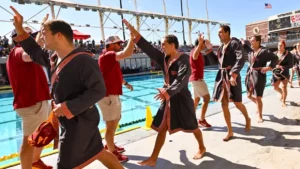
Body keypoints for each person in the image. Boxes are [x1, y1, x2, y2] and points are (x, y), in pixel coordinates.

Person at [10, 6, 124, 169]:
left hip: (80, 123)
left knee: (65, 165)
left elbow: (98, 91)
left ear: (58, 35)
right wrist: (19, 28)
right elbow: (34, 50)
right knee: (98, 152)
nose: (41, 37)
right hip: (72, 121)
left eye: (44, 34)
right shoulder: (54, 58)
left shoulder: (85, 60)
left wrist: (67, 107)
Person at [123, 19, 206, 167]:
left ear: (173, 45)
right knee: (162, 128)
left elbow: (182, 79)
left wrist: (167, 92)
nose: (161, 47)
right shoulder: (164, 57)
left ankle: (202, 147)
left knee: (192, 126)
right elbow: (147, 47)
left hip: (181, 99)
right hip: (167, 98)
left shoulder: (184, 59)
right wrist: (133, 31)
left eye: (163, 44)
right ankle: (153, 158)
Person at [6, 26, 52, 169]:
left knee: (44, 134)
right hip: (32, 104)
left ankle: (35, 161)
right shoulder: (19, 51)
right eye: (30, 35)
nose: (33, 38)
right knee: (28, 143)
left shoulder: (25, 52)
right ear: (17, 38)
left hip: (38, 101)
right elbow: (30, 54)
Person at [205, 25, 251, 141]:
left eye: (220, 32)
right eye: (218, 33)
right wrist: (210, 51)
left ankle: (247, 118)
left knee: (238, 103)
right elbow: (216, 62)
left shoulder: (234, 43)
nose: (218, 34)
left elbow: (241, 58)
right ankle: (230, 131)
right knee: (224, 104)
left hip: (232, 76)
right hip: (222, 77)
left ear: (227, 33)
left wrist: (234, 73)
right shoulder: (220, 48)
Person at [97, 35, 135, 162]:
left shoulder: (111, 58)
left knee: (116, 119)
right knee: (110, 123)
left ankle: (110, 145)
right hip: (107, 96)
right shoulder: (108, 55)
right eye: (119, 44)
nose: (120, 46)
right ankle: (111, 152)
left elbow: (116, 75)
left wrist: (126, 84)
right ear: (111, 45)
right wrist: (132, 38)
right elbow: (128, 53)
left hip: (112, 94)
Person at [243, 35, 278, 123]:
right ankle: (259, 106)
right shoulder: (250, 50)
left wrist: (269, 67)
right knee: (249, 95)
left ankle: (260, 116)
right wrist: (240, 40)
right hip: (250, 74)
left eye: (253, 41)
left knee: (258, 97)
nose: (251, 42)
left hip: (259, 75)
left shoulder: (264, 51)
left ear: (258, 42)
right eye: (250, 41)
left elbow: (275, 58)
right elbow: (244, 45)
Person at [189, 34, 211, 127]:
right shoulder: (195, 51)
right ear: (199, 44)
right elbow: (194, 56)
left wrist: (209, 45)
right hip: (197, 79)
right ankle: (201, 120)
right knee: (207, 99)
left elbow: (208, 51)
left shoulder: (200, 52)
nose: (205, 46)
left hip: (194, 79)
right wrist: (200, 43)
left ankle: (190, 119)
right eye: (203, 44)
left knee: (196, 100)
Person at [272, 40, 293, 107]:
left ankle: (284, 101)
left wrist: (281, 67)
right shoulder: (274, 54)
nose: (279, 46)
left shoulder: (288, 54)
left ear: (284, 46)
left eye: (281, 45)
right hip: (276, 73)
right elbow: (271, 63)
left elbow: (291, 65)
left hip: (284, 73)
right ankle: (282, 93)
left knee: (284, 87)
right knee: (275, 87)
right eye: (278, 45)